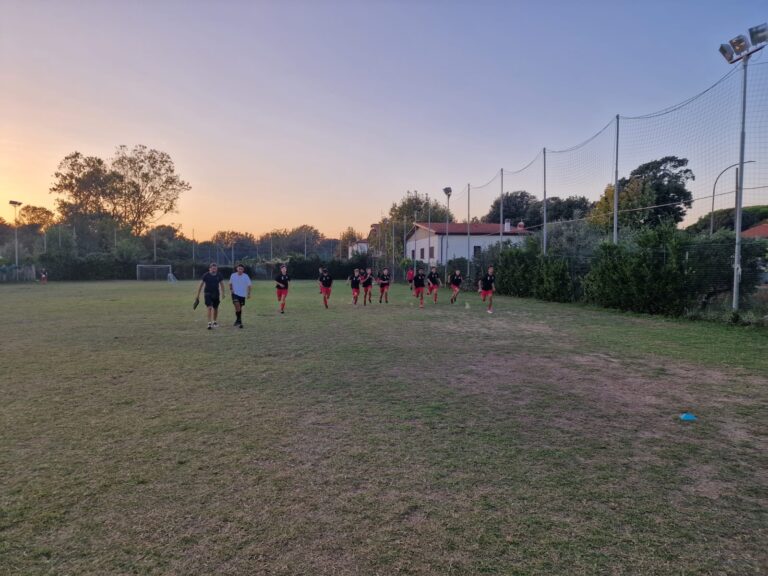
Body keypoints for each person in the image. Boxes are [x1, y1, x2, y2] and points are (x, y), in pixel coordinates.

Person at [195, 262, 225, 329]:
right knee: (209, 307)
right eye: (212, 268)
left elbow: (222, 284)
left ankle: (214, 322)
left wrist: (223, 293)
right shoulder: (206, 275)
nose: (214, 269)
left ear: (216, 269)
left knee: (216, 308)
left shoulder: (219, 275)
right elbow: (201, 285)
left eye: (215, 268)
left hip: (216, 293)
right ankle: (209, 323)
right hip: (207, 293)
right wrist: (198, 295)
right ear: (209, 269)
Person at [229, 263, 252, 328]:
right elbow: (230, 283)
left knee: (238, 308)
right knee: (237, 305)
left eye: (241, 269)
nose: (240, 270)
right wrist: (231, 289)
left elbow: (249, 285)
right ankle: (239, 321)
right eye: (239, 269)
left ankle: (238, 320)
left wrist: (249, 293)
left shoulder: (246, 276)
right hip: (235, 294)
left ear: (243, 270)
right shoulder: (233, 275)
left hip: (242, 295)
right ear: (237, 269)